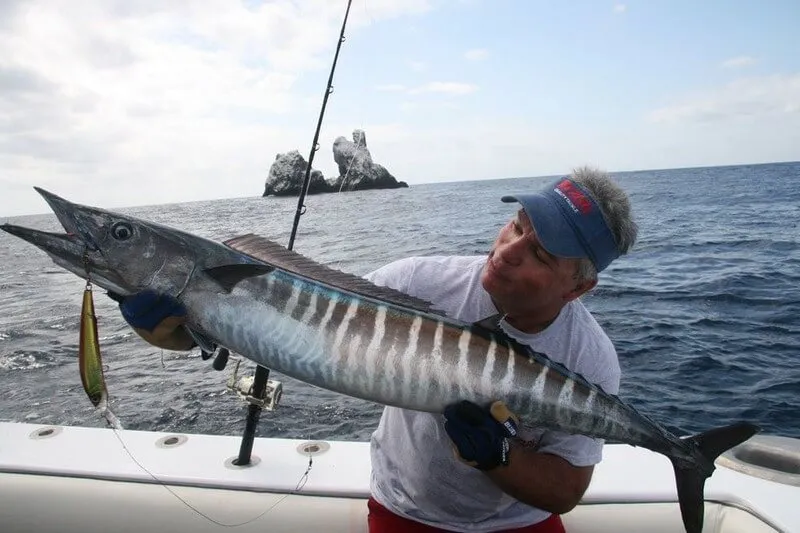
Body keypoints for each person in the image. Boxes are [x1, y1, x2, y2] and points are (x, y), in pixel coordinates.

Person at [115, 166, 637, 533]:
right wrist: (176, 331)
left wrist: (499, 458)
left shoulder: (590, 356)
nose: (507, 250)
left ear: (577, 288)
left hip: (521, 526)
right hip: (404, 515)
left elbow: (566, 491)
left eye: (540, 254)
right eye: (517, 224)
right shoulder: (415, 280)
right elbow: (289, 327)